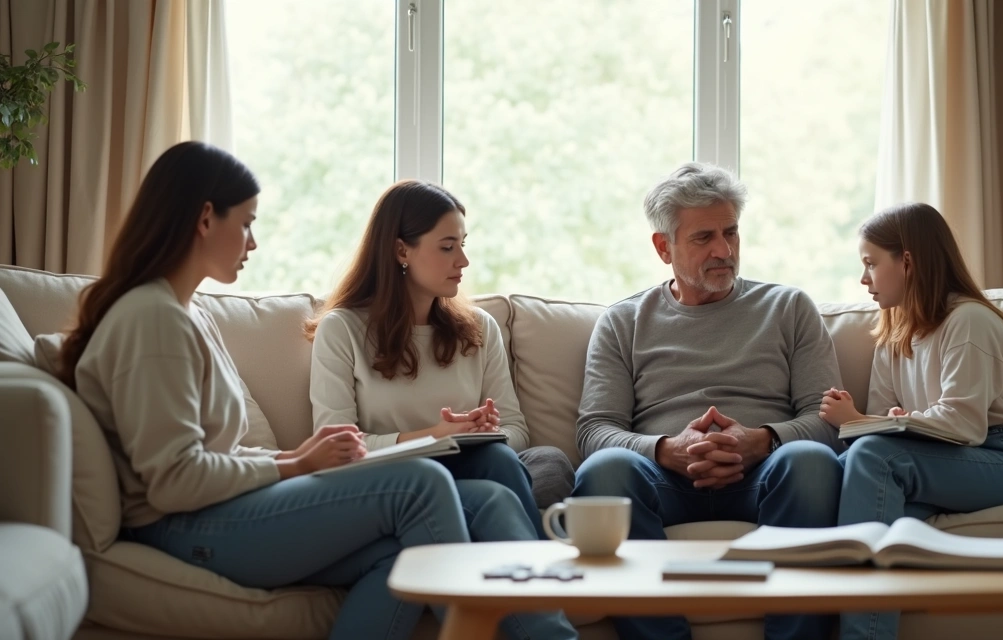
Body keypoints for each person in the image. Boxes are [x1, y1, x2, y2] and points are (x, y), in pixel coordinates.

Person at [58, 142, 576, 640]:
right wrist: (293, 463)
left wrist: (294, 457)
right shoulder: (153, 319)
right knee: (420, 485)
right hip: (187, 527)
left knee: (473, 504)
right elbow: (174, 483)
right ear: (205, 219)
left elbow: (209, 456)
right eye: (247, 223)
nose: (253, 242)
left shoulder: (184, 312)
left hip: (218, 510)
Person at [572, 162, 845, 640]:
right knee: (605, 471)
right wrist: (665, 450)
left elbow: (828, 422)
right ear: (664, 246)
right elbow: (595, 430)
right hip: (664, 482)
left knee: (812, 461)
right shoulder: (623, 321)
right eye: (704, 238)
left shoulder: (789, 308)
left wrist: (760, 442)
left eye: (731, 232)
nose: (724, 250)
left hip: (764, 476)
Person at [819, 202, 1003, 640]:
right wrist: (881, 420)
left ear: (907, 261)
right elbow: (887, 421)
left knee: (872, 459)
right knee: (852, 470)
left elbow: (964, 425)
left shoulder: (969, 322)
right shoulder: (894, 332)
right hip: (949, 455)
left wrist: (860, 421)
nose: (863, 279)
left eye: (871, 263)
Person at [307, 179, 574, 535]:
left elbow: (517, 432)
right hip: (395, 482)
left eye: (462, 245)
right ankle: (540, 572)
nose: (463, 260)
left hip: (479, 464)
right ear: (401, 251)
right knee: (496, 473)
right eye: (448, 247)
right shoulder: (342, 329)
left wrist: (483, 430)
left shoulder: (479, 328)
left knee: (548, 463)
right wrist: (434, 437)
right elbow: (337, 447)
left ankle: (520, 569)